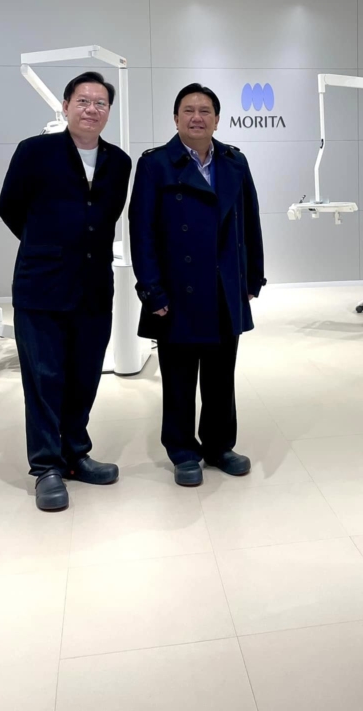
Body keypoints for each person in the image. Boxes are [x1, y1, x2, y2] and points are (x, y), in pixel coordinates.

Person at [0, 71, 132, 511]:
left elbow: (108, 215)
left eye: (100, 103)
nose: (92, 109)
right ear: (66, 105)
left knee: (84, 376)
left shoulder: (119, 162)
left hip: (93, 287)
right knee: (44, 379)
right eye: (83, 101)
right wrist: (47, 245)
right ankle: (46, 467)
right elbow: (9, 206)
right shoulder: (34, 152)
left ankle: (75, 453)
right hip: (41, 285)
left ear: (108, 112)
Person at [129, 83, 266, 486]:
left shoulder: (234, 161)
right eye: (188, 110)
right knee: (179, 378)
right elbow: (142, 231)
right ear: (175, 119)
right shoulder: (155, 164)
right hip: (177, 290)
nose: (197, 117)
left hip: (224, 287)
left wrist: (252, 277)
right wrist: (151, 290)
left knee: (222, 376)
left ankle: (220, 446)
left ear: (217, 120)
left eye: (205, 111)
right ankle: (183, 451)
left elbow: (250, 221)